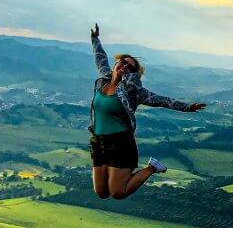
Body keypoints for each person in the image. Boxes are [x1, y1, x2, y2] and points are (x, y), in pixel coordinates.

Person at [88, 23, 206, 199]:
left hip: (120, 143)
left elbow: (162, 100)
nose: (125, 67)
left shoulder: (132, 91)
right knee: (102, 193)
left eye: (130, 67)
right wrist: (95, 38)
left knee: (118, 193)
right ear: (116, 63)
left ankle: (152, 168)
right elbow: (101, 58)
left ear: (132, 73)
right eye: (123, 62)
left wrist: (187, 107)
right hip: (99, 141)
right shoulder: (103, 80)